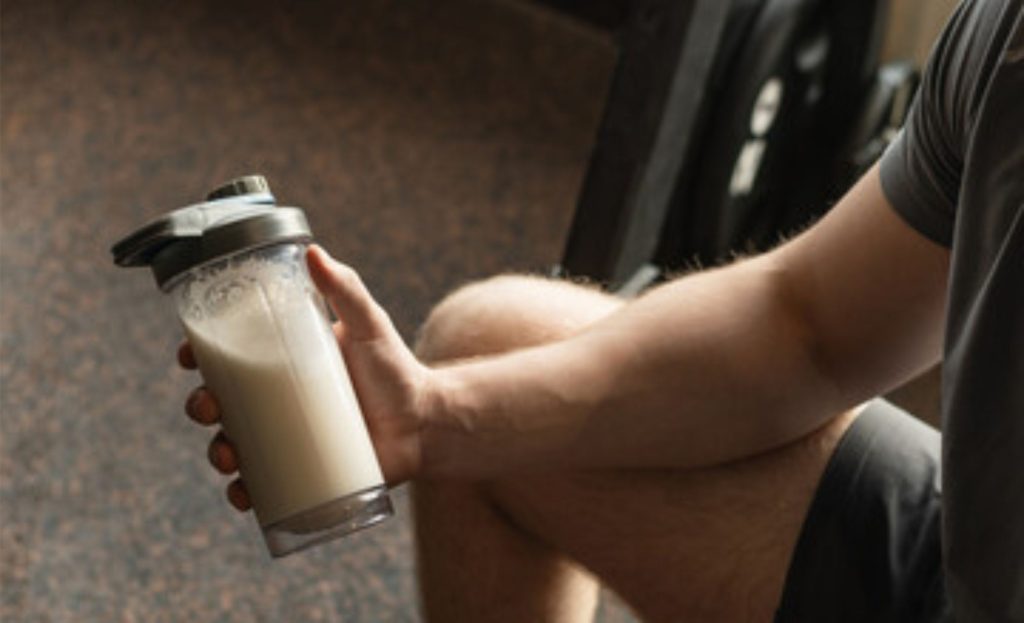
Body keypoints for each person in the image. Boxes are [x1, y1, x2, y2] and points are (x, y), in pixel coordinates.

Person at [179, 0, 1023, 619]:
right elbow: (803, 327)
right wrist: (434, 418)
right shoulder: (1003, 43)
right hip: (967, 568)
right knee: (486, 344)